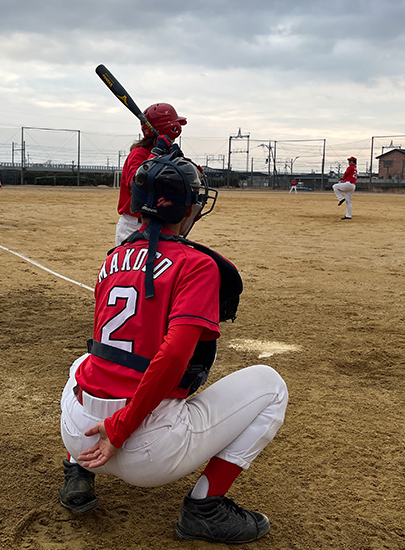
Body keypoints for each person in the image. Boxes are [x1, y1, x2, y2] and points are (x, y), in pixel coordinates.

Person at [59, 152, 289, 544]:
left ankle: (77, 472)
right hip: (146, 451)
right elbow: (174, 356)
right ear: (188, 207)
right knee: (271, 385)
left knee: (87, 359)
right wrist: (120, 428)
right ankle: (204, 509)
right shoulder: (197, 265)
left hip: (79, 435)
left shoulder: (113, 257)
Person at [115, 103, 187, 246]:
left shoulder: (169, 153)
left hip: (162, 223)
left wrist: (179, 159)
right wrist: (155, 153)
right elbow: (137, 184)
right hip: (133, 224)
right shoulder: (139, 153)